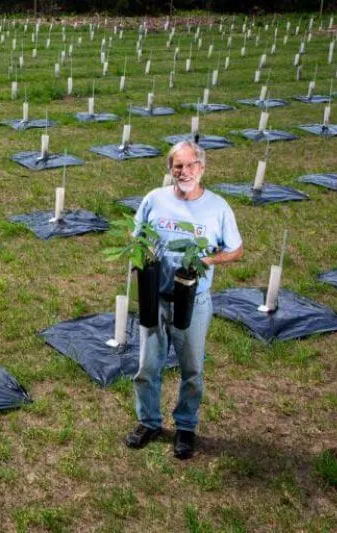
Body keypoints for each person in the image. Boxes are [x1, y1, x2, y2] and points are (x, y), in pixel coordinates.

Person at [125, 139, 244, 460]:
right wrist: (142, 250)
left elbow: (235, 249)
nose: (185, 171)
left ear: (202, 169)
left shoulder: (217, 207)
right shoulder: (154, 199)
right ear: (170, 169)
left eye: (192, 165)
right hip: (155, 297)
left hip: (193, 300)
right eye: (178, 165)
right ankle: (148, 421)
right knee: (147, 366)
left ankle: (186, 427)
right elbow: (136, 235)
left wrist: (206, 261)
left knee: (192, 369)